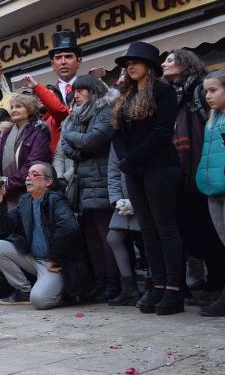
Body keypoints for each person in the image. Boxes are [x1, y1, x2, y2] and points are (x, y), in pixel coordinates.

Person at [112, 41, 184, 315]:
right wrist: (125, 160)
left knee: (166, 228)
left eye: (136, 62)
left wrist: (132, 159)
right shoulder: (125, 96)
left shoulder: (163, 92)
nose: (130, 66)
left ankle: (174, 291)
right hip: (135, 170)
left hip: (161, 167)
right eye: (127, 63)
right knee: (148, 230)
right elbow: (117, 133)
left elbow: (163, 132)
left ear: (150, 67)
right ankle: (157, 285)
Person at [163, 49, 225, 302]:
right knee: (196, 233)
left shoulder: (200, 92)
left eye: (170, 60)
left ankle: (219, 285)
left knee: (214, 233)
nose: (164, 64)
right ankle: (213, 283)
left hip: (210, 170)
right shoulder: (176, 94)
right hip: (189, 172)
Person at [0, 162, 92, 309]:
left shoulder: (56, 200)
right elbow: (4, 226)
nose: (28, 178)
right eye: (28, 175)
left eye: (34, 175)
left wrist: (54, 257)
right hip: (34, 259)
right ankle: (24, 291)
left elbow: (70, 227)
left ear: (48, 181)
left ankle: (62, 290)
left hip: (55, 263)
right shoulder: (25, 200)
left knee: (39, 301)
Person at [54, 75, 117, 300]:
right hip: (83, 183)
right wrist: (78, 144)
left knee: (106, 235)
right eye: (75, 91)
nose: (76, 94)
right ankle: (100, 280)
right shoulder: (78, 115)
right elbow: (67, 148)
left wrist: (72, 137)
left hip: (101, 181)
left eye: (81, 90)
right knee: (91, 235)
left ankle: (114, 282)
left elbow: (94, 140)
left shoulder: (105, 111)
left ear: (93, 90)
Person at [195, 70, 225, 316]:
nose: (207, 96)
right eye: (206, 91)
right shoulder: (211, 118)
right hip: (212, 188)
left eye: (213, 90)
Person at [0, 94, 52, 207]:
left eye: (18, 106)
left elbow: (33, 164)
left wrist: (6, 182)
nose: (13, 110)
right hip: (6, 193)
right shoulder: (8, 132)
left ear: (29, 109)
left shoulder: (39, 132)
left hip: (30, 192)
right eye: (12, 107)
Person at [29, 30, 82, 153]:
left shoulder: (90, 88)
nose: (63, 62)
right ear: (52, 64)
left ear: (79, 62)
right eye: (58, 58)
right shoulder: (45, 95)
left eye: (68, 56)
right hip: (56, 154)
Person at [105, 144, 142, 306]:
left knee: (149, 239)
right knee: (113, 238)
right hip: (123, 199)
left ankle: (156, 284)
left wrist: (136, 201)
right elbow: (113, 171)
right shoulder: (117, 137)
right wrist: (116, 199)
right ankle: (129, 289)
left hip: (145, 196)